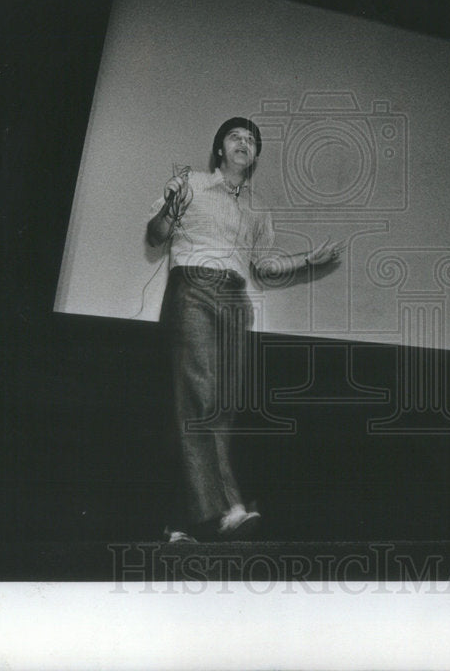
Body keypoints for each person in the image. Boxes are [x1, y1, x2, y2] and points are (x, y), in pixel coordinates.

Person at [146, 117, 343, 542]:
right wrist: (169, 209)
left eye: (251, 141)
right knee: (200, 396)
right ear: (220, 149)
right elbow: (156, 233)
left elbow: (264, 266)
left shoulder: (257, 209)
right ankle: (227, 508)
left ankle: (178, 521)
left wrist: (309, 260)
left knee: (222, 405)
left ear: (253, 158)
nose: (244, 143)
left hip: (235, 298)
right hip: (194, 287)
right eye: (236, 136)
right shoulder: (191, 184)